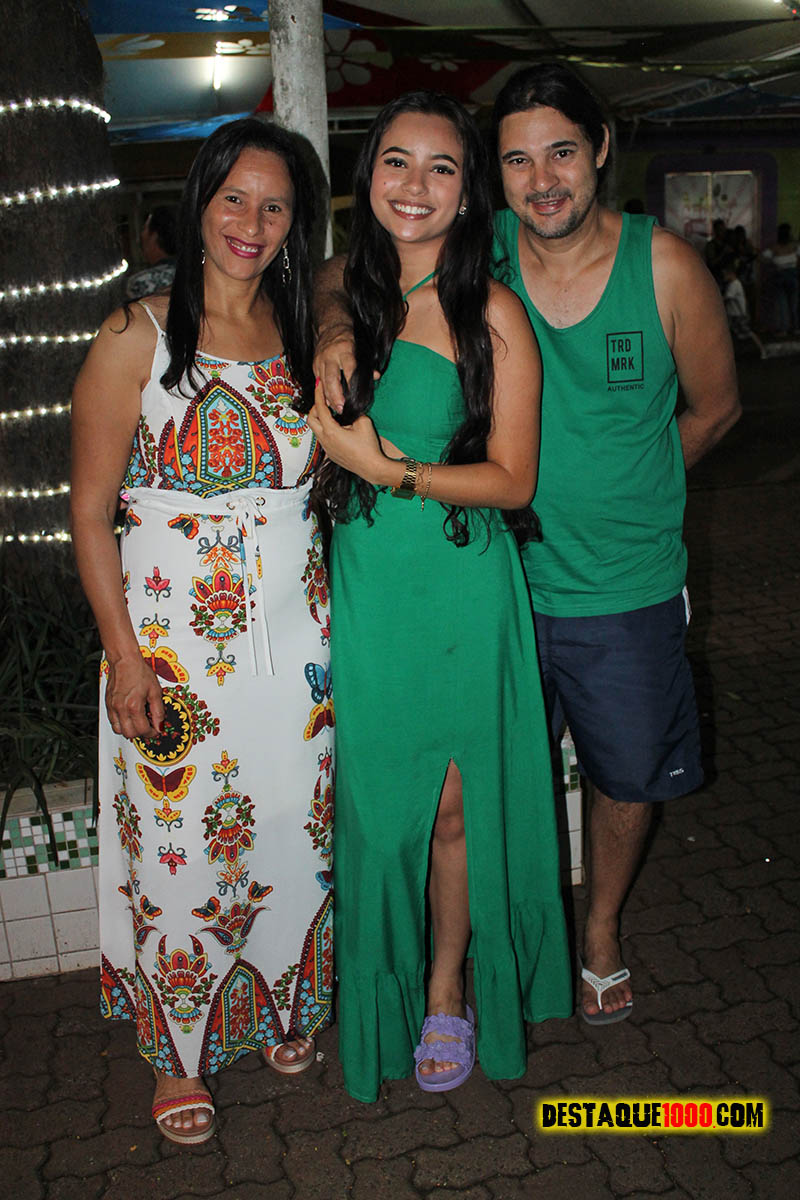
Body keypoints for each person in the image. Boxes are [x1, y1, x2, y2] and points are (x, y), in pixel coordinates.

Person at [315, 64, 741, 1029]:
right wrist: (336, 327)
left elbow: (716, 409)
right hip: (493, 580)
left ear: (600, 149)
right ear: (492, 177)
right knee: (482, 789)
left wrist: (632, 489)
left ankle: (600, 930)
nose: (541, 179)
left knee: (625, 775)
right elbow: (353, 270)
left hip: (620, 585)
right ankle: (475, 959)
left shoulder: (665, 266)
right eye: (516, 160)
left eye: (561, 152)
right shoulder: (483, 247)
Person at [71, 118, 333, 1145]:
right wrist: (124, 658)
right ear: (200, 202)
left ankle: (280, 1002)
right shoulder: (133, 336)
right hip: (173, 651)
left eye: (275, 206)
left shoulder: (307, 328)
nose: (251, 223)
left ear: (295, 223)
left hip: (296, 644)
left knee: (293, 830)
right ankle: (176, 1056)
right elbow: (89, 511)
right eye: (234, 198)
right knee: (180, 851)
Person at [307, 91, 572, 1103]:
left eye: (442, 167)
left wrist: (392, 473)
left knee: (456, 806)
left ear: (468, 194)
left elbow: (514, 479)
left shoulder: (490, 312)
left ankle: (446, 989)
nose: (414, 186)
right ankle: (376, 989)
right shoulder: (342, 290)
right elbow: (325, 282)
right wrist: (334, 327)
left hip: (460, 581)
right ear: (367, 174)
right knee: (379, 811)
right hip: (367, 591)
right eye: (396, 162)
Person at [125, 205, 178, 300]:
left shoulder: (141, 282)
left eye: (144, 229)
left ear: (154, 236)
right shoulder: (199, 275)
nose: (140, 237)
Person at [722, 262, 766, 359]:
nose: (724, 277)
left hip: (737, 314)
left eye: (725, 274)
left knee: (747, 332)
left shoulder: (735, 284)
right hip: (734, 314)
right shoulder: (734, 284)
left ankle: (762, 350)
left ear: (731, 273)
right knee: (735, 333)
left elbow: (728, 297)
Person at [762, 223, 799, 335]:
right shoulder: (794, 246)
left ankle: (784, 328)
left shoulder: (774, 248)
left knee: (783, 305)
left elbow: (763, 257)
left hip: (780, 276)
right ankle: (795, 327)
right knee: (794, 304)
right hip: (791, 276)